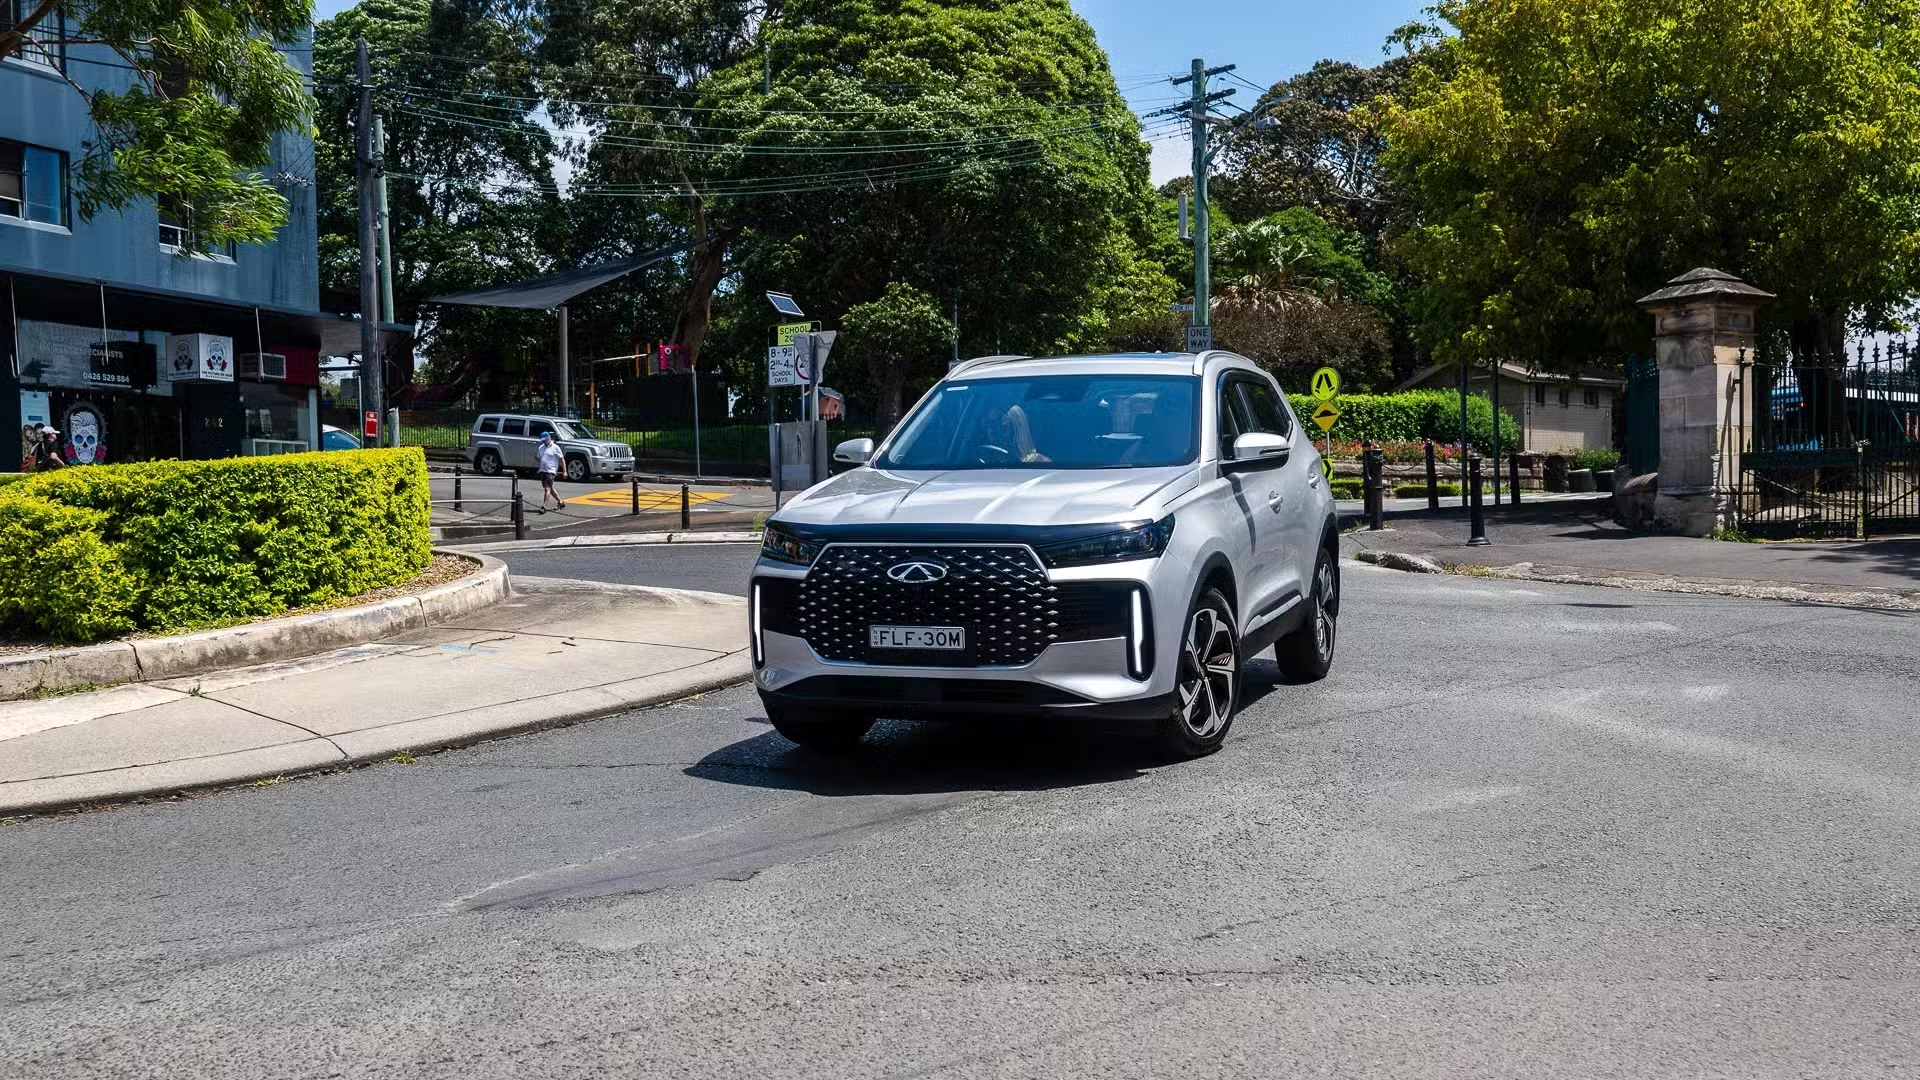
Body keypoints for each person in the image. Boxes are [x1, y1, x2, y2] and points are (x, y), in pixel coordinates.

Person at [535, 431, 566, 510]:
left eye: (544, 439)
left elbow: (562, 459)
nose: (543, 441)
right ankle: (560, 502)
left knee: (547, 488)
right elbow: (539, 458)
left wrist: (564, 471)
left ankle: (544, 505)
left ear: (549, 438)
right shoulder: (541, 447)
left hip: (551, 471)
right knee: (550, 488)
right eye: (542, 440)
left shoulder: (555, 447)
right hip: (543, 470)